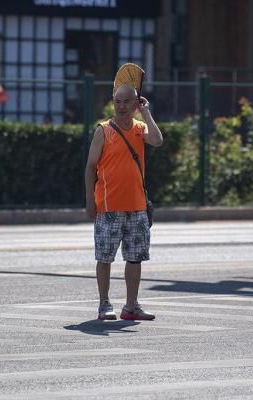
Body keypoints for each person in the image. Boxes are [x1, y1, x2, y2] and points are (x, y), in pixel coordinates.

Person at [85, 85, 163, 321]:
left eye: (127, 101)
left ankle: (131, 306)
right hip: (109, 206)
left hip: (137, 206)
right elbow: (90, 166)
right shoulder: (104, 130)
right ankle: (104, 303)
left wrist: (146, 113)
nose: (121, 106)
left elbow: (158, 140)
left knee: (135, 257)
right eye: (117, 101)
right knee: (105, 257)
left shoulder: (140, 128)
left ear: (136, 103)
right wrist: (90, 200)